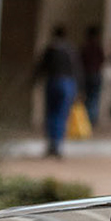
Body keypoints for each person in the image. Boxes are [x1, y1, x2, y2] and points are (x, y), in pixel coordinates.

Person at [34, 25, 78, 157]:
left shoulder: (50, 49)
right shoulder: (70, 50)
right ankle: (57, 144)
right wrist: (79, 89)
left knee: (52, 114)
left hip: (53, 82)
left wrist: (34, 80)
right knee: (61, 114)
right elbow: (77, 69)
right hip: (66, 84)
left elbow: (41, 67)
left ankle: (52, 144)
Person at [80, 25, 106, 128]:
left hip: (87, 74)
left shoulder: (85, 47)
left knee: (89, 97)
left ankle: (88, 119)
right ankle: (91, 119)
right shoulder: (97, 47)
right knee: (94, 97)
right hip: (95, 74)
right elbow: (102, 60)